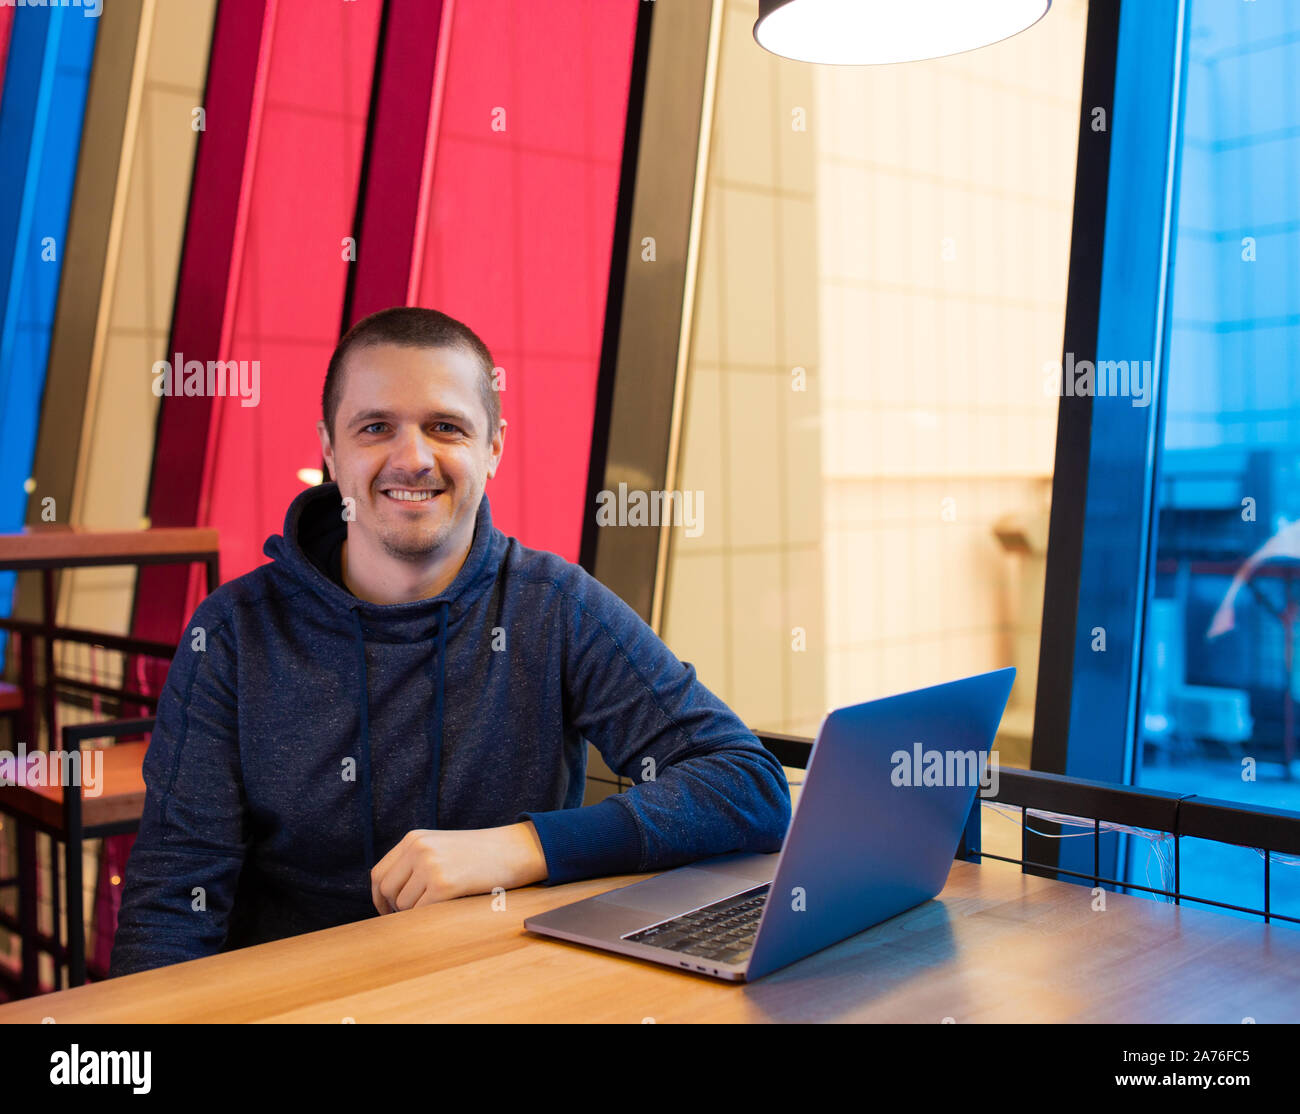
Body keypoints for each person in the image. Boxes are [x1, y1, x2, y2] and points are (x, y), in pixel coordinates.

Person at [110, 306, 792, 976]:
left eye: (446, 427)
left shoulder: (553, 606)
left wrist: (523, 849)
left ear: (493, 447)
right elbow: (172, 905)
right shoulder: (233, 633)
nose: (412, 458)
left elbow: (747, 785)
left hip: (494, 996)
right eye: (376, 427)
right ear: (329, 449)